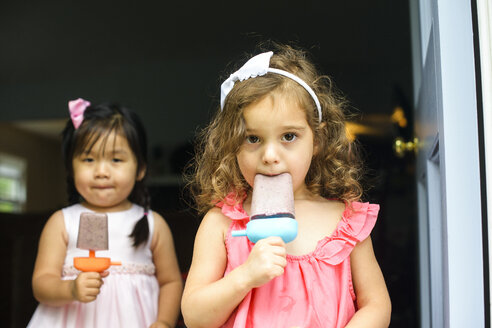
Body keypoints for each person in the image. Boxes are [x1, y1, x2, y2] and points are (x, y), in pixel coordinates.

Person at [181, 43, 391, 328]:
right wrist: (245, 276)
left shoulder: (346, 222)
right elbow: (194, 317)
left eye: (289, 136)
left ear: (316, 141)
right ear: (232, 145)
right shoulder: (220, 225)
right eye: (253, 139)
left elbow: (377, 304)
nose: (270, 156)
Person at [28, 99, 183, 328]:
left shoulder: (152, 224)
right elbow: (41, 284)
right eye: (89, 159)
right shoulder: (61, 222)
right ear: (71, 168)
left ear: (140, 168)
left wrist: (164, 322)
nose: (101, 172)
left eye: (116, 159)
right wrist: (70, 288)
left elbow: (170, 282)